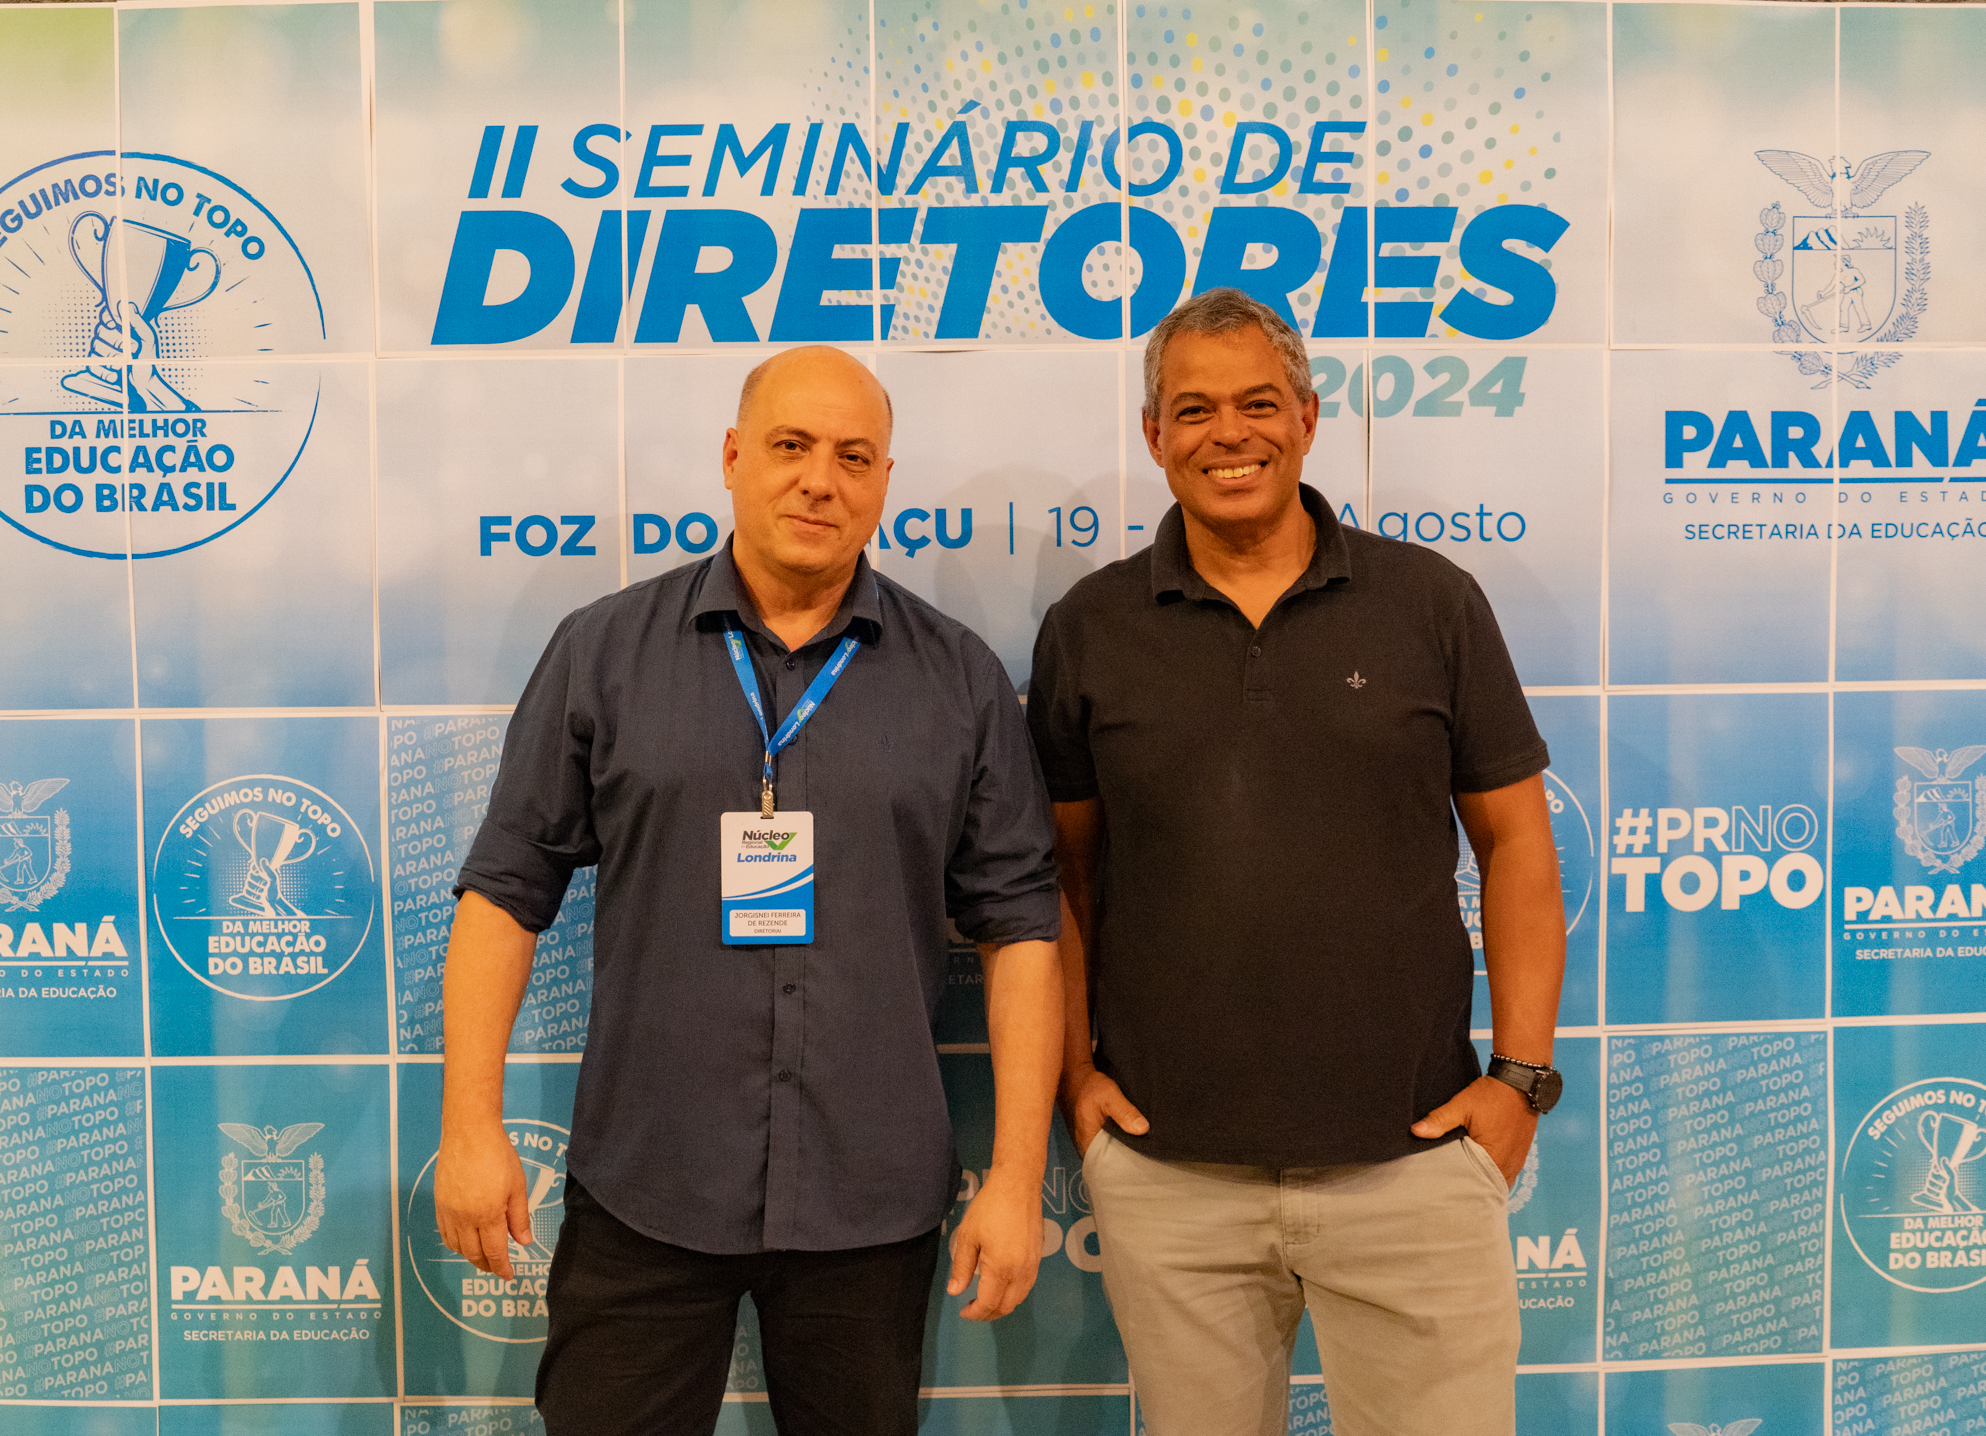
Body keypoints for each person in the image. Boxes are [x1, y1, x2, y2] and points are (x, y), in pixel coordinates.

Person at [435, 345, 1063, 1436]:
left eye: (853, 457)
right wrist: (471, 1126)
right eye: (790, 446)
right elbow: (503, 891)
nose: (820, 480)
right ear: (732, 457)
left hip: (868, 1200)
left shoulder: (958, 678)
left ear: (884, 481)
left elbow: (1020, 930)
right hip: (647, 1183)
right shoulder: (603, 651)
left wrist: (1015, 1177)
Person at [1027, 289, 1566, 1436]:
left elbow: (1516, 840)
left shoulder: (1429, 603)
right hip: (1170, 1180)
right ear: (1153, 435)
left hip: (1413, 1164)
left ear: (1308, 418)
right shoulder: (1089, 627)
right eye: (1193, 409)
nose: (1228, 433)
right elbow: (1059, 877)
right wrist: (1074, 1077)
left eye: (1257, 403)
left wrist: (1518, 1080)